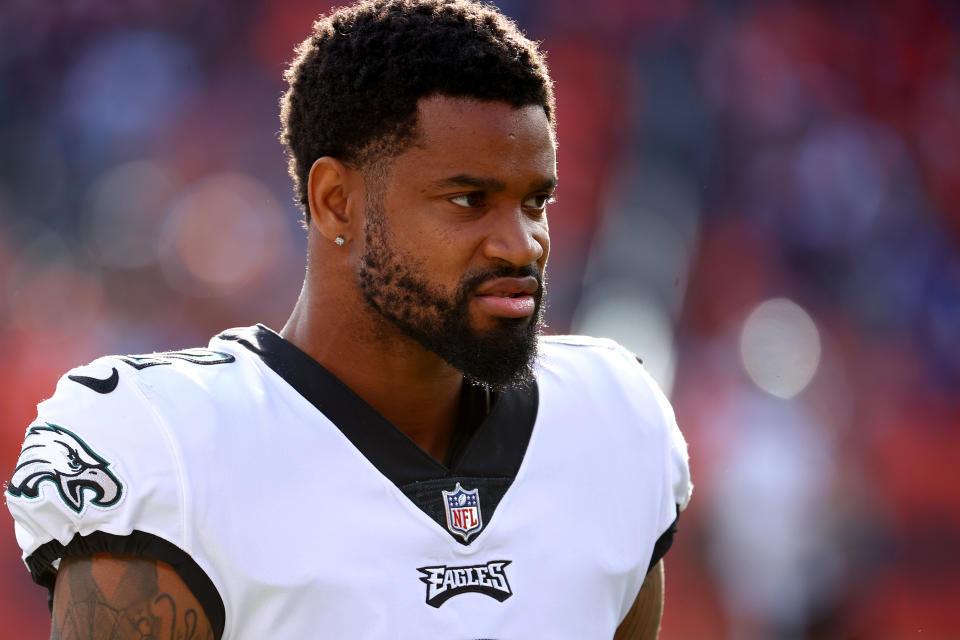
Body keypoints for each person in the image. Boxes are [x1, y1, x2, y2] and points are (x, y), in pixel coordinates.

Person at [6, 1, 692, 638]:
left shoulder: (613, 419)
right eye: (467, 201)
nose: (521, 245)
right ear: (336, 201)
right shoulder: (166, 448)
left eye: (535, 202)